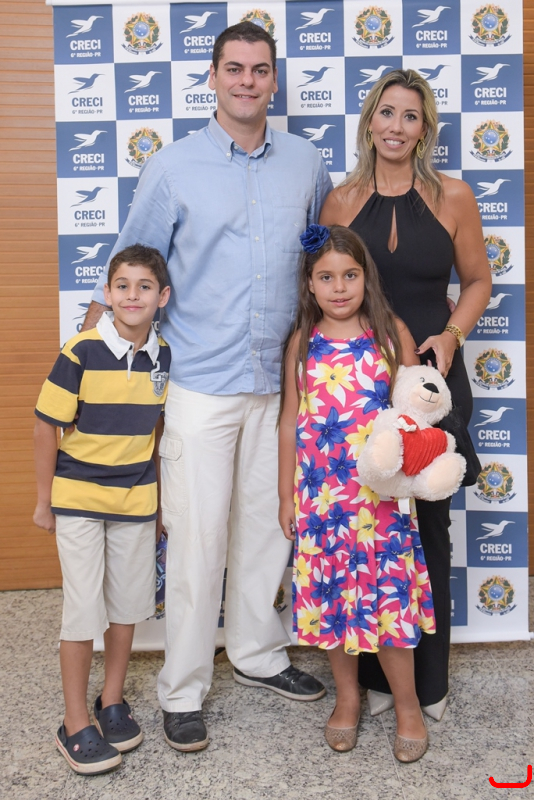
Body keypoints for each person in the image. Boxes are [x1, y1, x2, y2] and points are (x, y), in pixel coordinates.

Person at [82, 22, 333, 751]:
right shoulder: (172, 167)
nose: (247, 81)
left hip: (279, 385)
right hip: (199, 382)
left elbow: (323, 259)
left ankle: (258, 653)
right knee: (195, 542)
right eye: (234, 68)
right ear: (214, 77)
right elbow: (132, 262)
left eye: (260, 69)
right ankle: (183, 688)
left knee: (268, 531)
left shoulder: (307, 163)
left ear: (274, 80)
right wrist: (94, 356)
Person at [320, 69, 492, 719]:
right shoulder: (339, 202)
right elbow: (325, 285)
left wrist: (450, 335)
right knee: (368, 527)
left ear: (425, 130)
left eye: (410, 116)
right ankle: (373, 680)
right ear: (369, 121)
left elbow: (477, 281)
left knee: (431, 527)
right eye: (386, 112)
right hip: (362, 385)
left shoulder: (455, 196)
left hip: (431, 382)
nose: (396, 126)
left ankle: (430, 681)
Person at [278, 223, 435, 761]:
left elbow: (416, 414)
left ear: (366, 277)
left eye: (349, 275)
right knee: (334, 605)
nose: (339, 287)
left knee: (387, 602)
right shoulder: (302, 342)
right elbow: (289, 421)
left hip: (380, 501)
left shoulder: (390, 333)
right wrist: (286, 496)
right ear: (309, 283)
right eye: (326, 277)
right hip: (322, 501)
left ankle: (408, 706)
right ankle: (347, 698)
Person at [33, 245, 171, 774]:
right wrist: (44, 500)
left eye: (144, 286)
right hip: (79, 500)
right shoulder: (81, 351)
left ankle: (111, 700)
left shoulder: (164, 356)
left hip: (135, 501)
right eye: (122, 286)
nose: (132, 295)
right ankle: (74, 723)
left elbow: (156, 434)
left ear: (162, 297)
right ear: (108, 294)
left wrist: (157, 503)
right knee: (81, 610)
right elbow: (46, 425)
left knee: (127, 606)